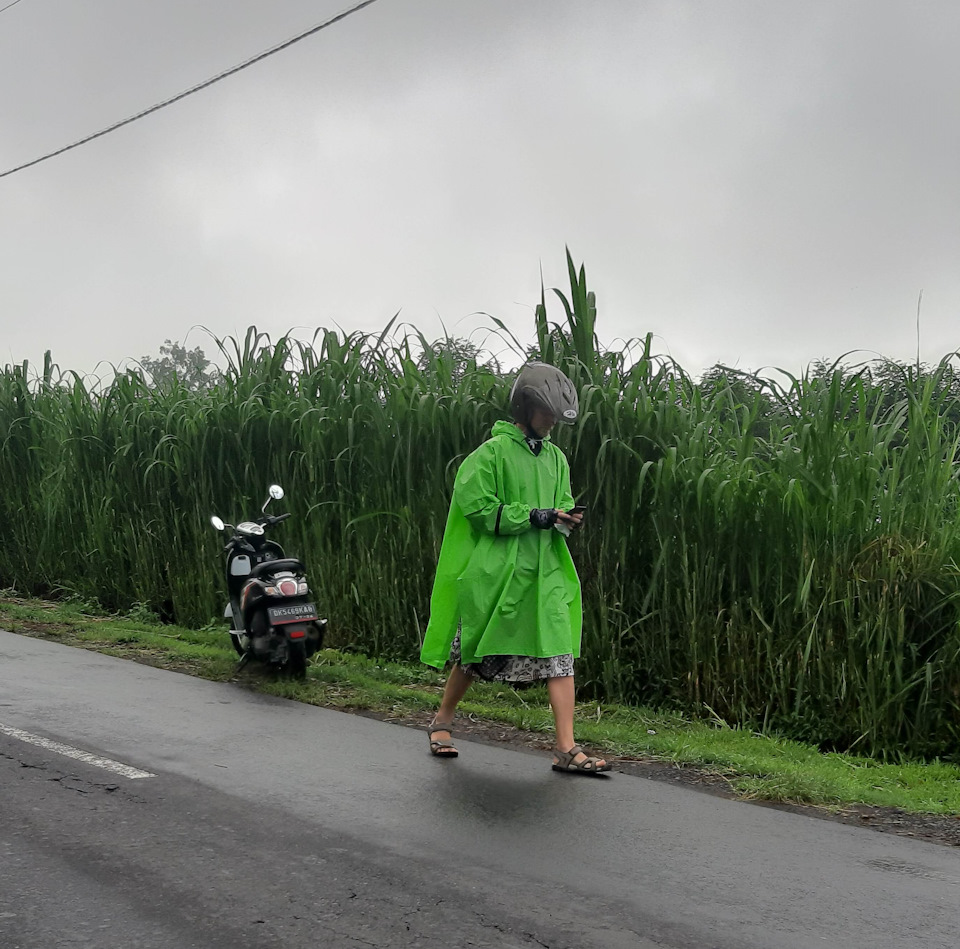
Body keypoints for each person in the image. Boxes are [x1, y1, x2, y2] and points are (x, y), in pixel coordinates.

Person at [419, 362, 611, 774]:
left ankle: (566, 748)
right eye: (548, 413)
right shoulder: (490, 454)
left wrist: (564, 518)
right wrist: (533, 516)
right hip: (500, 574)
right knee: (472, 655)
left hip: (546, 574)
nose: (553, 422)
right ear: (525, 407)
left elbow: (559, 501)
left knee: (560, 657)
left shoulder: (557, 457)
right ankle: (442, 722)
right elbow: (478, 507)